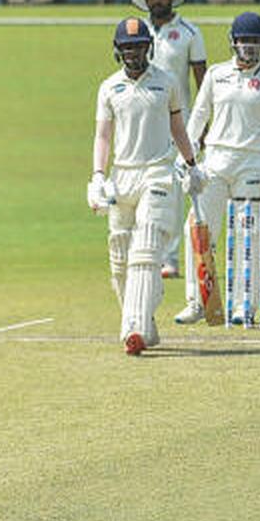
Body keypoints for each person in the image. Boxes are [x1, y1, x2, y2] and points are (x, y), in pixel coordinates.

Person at [88, 18, 203, 356]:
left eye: (138, 47)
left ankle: (133, 328)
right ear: (117, 50)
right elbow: (103, 135)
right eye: (127, 48)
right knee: (120, 258)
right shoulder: (109, 87)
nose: (133, 54)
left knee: (147, 246)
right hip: (122, 176)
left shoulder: (166, 82)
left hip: (158, 172)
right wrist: (97, 175)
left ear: (148, 48)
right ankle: (145, 325)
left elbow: (178, 127)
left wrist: (192, 165)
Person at [174, 12, 260, 326]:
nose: (250, 48)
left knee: (248, 236)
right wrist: (185, 156)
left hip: (251, 164)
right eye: (245, 41)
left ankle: (245, 305)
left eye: (256, 42)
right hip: (214, 161)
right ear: (233, 42)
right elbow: (199, 116)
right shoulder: (216, 75)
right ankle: (198, 301)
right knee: (199, 231)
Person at [130, 0, 208, 280]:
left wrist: (203, 127)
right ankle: (144, 252)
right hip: (142, 122)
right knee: (141, 184)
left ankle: (171, 258)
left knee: (174, 191)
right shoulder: (136, 31)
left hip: (180, 123)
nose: (157, 0)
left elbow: (203, 84)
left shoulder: (189, 33)